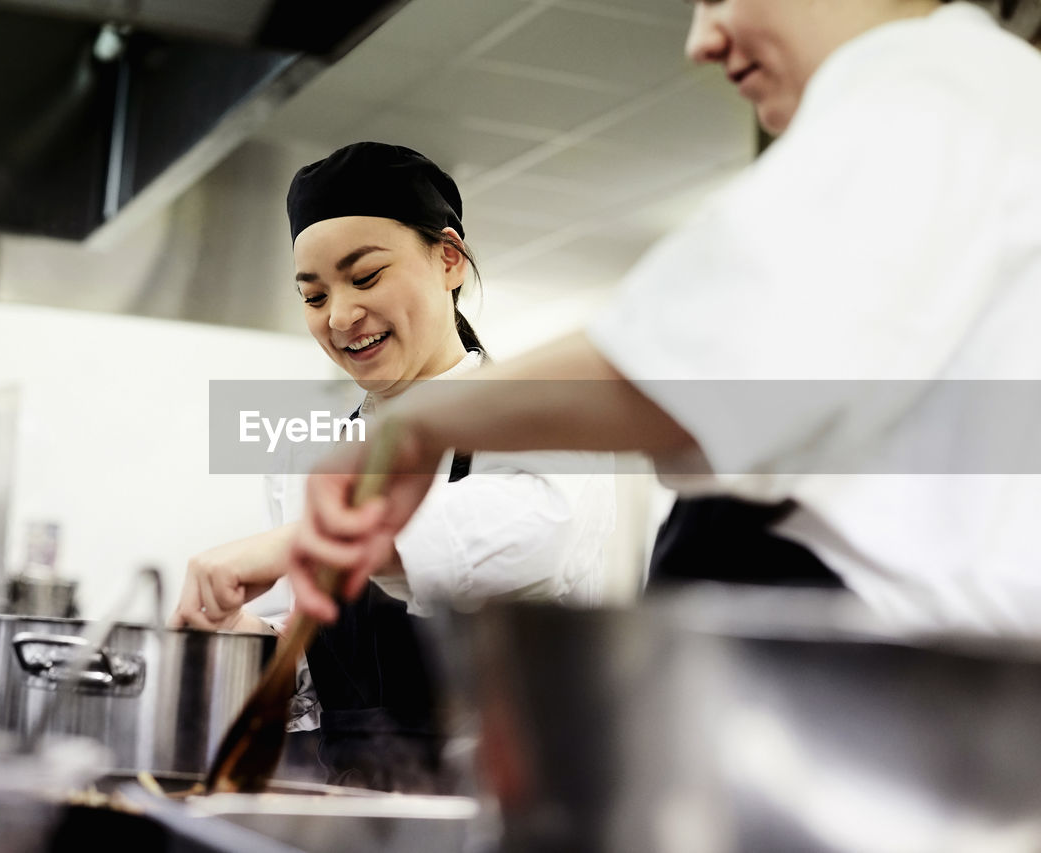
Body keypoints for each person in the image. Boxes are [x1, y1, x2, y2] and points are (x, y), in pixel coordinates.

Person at [288, 0, 1041, 635]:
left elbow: (685, 371)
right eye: (313, 293)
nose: (700, 40)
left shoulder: (932, 86)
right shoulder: (988, 106)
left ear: (449, 259)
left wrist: (417, 425)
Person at [171, 141, 618, 789]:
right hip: (356, 805)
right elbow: (327, 666)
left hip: (504, 810)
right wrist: (247, 638)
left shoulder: (536, 420)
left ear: (449, 258)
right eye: (314, 294)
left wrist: (302, 543)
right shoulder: (307, 455)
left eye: (366, 276)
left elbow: (526, 544)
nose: (341, 316)